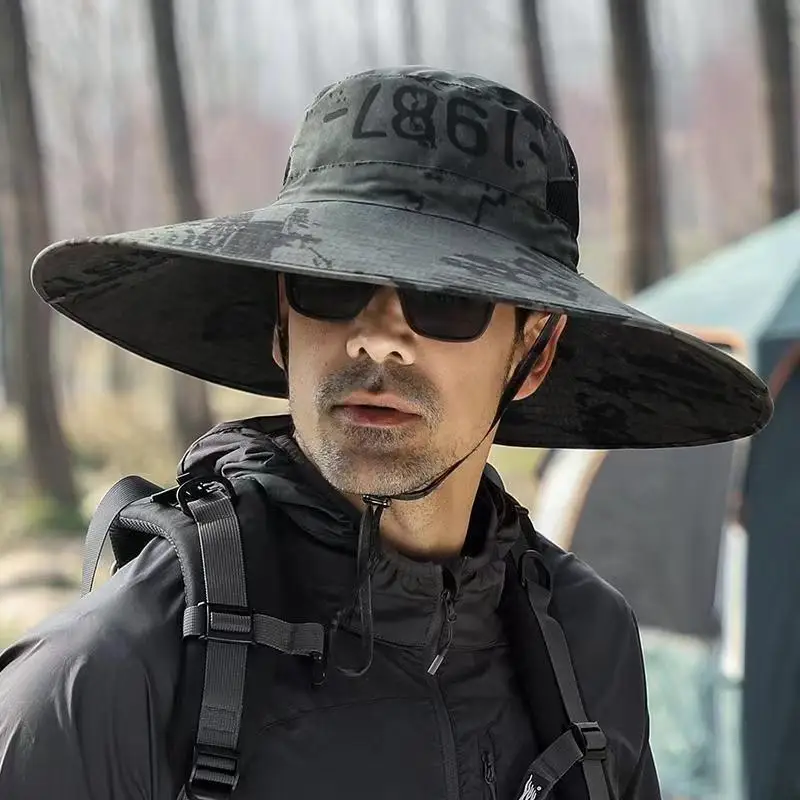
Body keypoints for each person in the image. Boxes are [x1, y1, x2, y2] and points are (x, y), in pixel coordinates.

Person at [0, 67, 771, 800]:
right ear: (282, 321)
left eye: (448, 297)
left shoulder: (587, 645)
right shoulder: (113, 675)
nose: (377, 338)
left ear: (534, 352)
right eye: (331, 284)